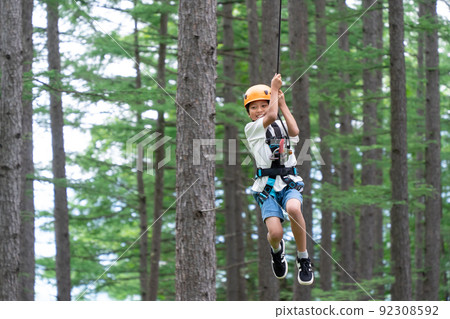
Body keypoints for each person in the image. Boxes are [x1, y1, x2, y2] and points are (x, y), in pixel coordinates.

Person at [244, 73, 313, 285]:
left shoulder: (279, 123)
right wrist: (274, 89)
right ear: (248, 113)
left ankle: (303, 257)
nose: (259, 110)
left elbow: (294, 131)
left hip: (289, 179)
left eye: (263, 105)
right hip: (267, 187)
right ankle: (277, 250)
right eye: (253, 108)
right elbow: (271, 116)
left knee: (293, 209)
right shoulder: (252, 129)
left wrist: (282, 104)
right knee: (275, 232)